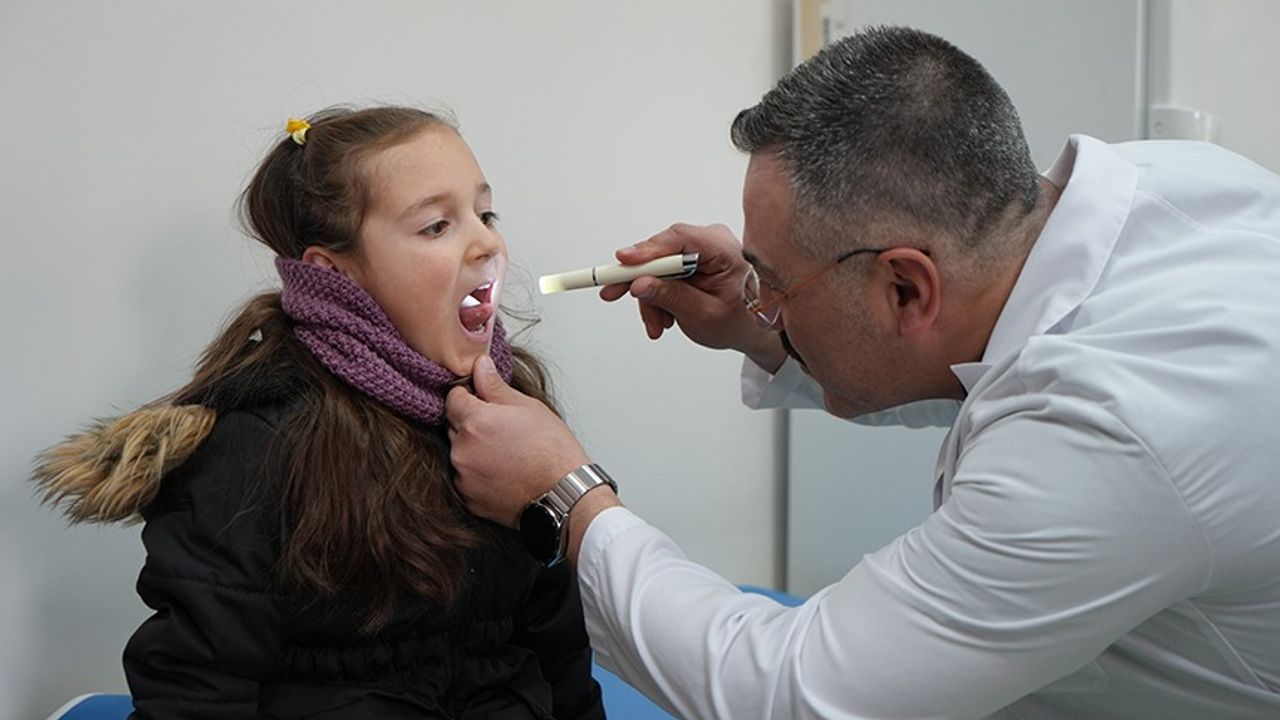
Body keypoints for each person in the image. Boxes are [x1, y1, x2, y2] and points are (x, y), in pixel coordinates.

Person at [443, 26, 1280, 719]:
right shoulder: (1154, 190)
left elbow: (788, 695)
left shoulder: (1118, 429)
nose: (760, 295)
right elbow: (990, 361)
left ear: (906, 285)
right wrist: (760, 317)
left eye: (775, 279)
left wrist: (566, 494)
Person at [33, 106, 605, 720]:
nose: (488, 241)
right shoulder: (259, 444)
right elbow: (196, 688)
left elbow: (558, 649)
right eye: (438, 226)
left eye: (484, 213)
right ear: (334, 275)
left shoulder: (516, 413)